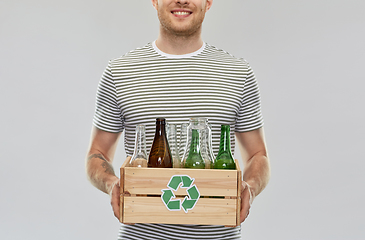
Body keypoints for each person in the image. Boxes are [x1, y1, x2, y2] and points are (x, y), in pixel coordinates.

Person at [86, 0, 271, 239]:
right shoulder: (120, 72)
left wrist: (250, 188)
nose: (182, 0)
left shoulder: (238, 73)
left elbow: (259, 155)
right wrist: (112, 183)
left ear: (208, 2)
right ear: (154, 1)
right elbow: (96, 153)